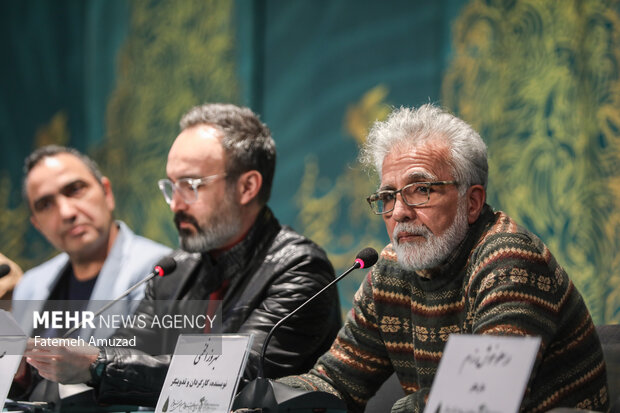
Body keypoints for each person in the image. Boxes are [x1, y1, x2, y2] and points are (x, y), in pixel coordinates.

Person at [277, 104, 609, 412]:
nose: (400, 212)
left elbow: (480, 395)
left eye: (421, 190)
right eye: (388, 195)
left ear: (472, 202)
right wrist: (271, 398)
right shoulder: (389, 272)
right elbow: (335, 380)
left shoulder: (509, 262)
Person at [25, 103, 341, 407]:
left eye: (191, 186)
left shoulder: (300, 269)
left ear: (247, 187)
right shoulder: (174, 271)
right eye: (172, 186)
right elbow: (123, 347)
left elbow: (234, 375)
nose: (176, 204)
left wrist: (97, 365)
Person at [10, 145, 171, 399]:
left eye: (75, 190)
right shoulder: (30, 284)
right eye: (45, 204)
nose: (66, 213)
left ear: (107, 193)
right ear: (37, 225)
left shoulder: (159, 269)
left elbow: (154, 376)